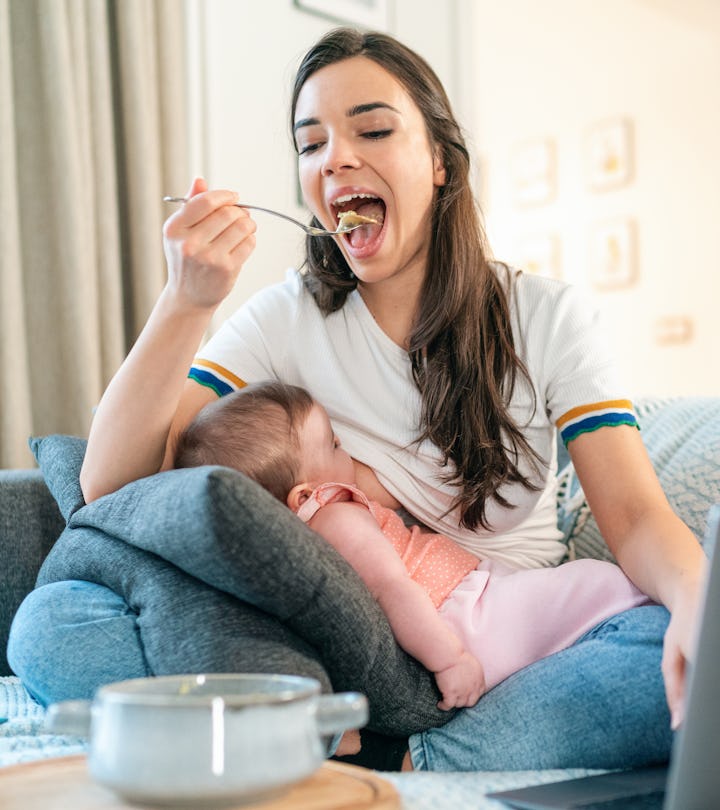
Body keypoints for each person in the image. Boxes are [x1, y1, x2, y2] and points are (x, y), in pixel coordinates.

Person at [8, 27, 705, 772]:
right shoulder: (288, 316)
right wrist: (186, 301)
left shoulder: (547, 316)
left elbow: (633, 518)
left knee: (660, 646)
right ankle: (351, 746)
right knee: (54, 619)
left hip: (502, 652)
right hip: (330, 642)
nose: (335, 157)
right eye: (311, 144)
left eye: (372, 128)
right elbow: (110, 485)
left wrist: (699, 606)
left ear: (440, 161)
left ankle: (386, 757)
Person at [175, 380, 654, 707]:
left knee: (566, 603)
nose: (349, 453)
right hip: (458, 617)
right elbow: (392, 588)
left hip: (469, 596)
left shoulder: (305, 537)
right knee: (596, 582)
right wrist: (451, 660)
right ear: (303, 494)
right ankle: (654, 609)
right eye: (336, 447)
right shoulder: (335, 513)